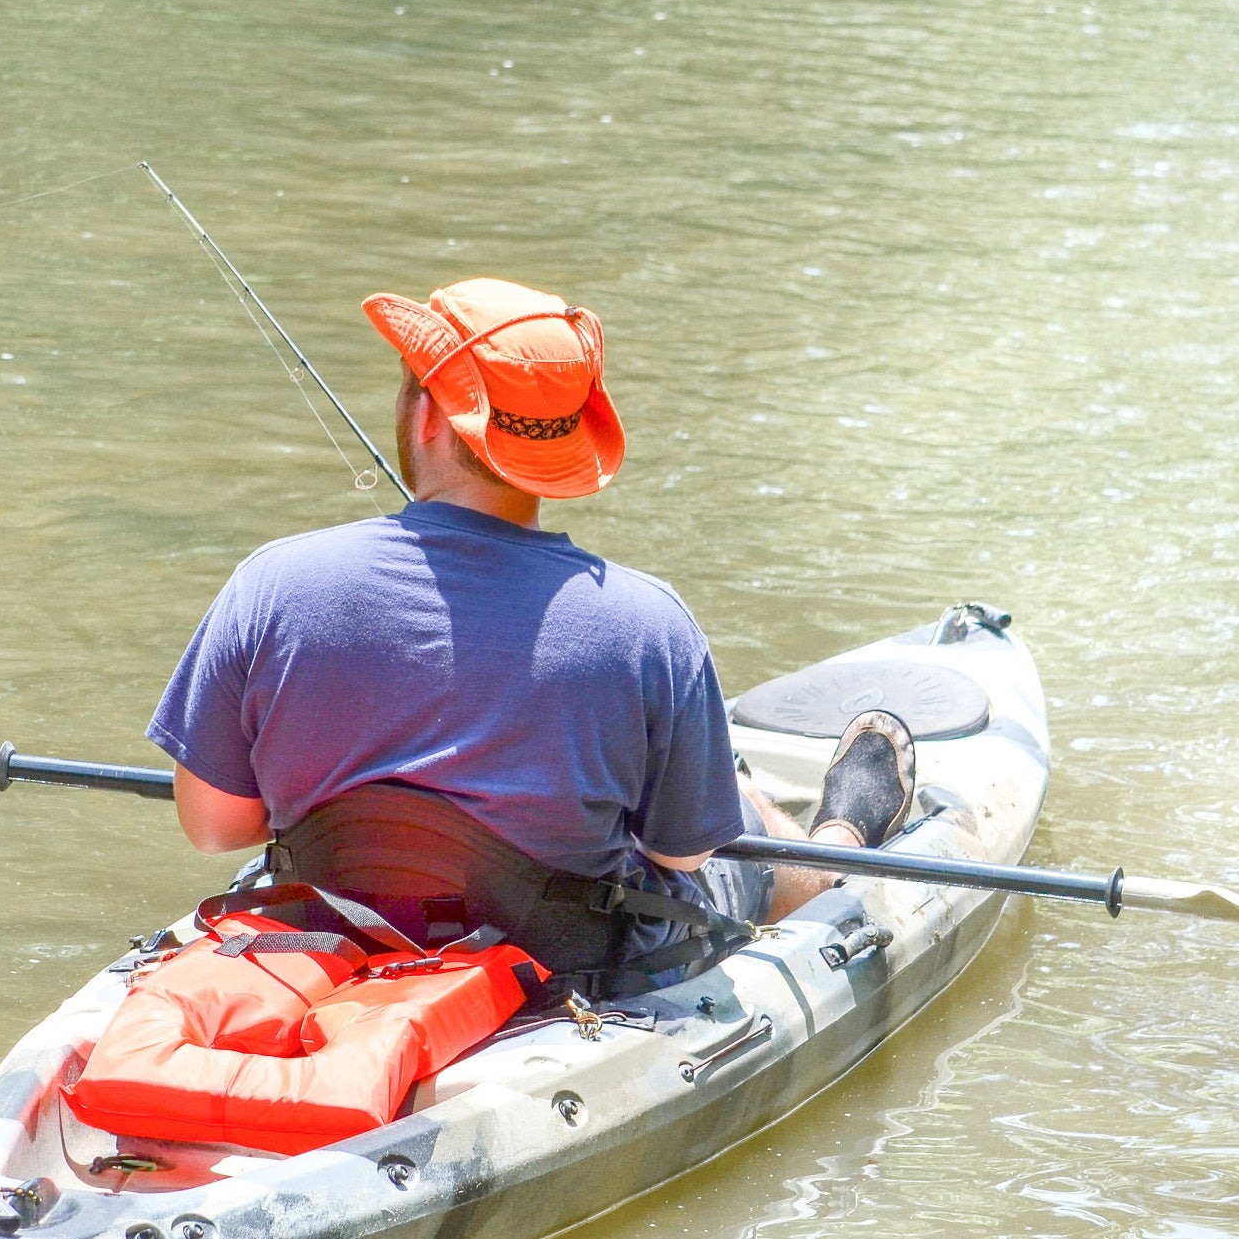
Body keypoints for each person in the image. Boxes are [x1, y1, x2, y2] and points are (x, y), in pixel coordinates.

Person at [148, 276, 915, 995]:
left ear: (425, 416)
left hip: (330, 946)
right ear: (565, 447)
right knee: (731, 819)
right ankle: (838, 842)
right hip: (562, 971)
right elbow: (683, 855)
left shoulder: (270, 585)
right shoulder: (651, 626)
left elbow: (215, 828)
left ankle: (807, 818)